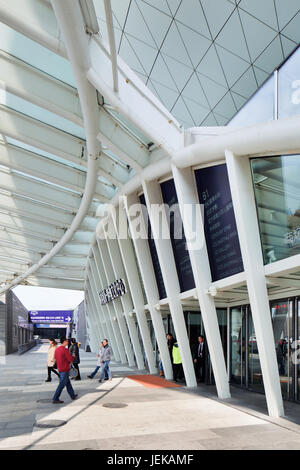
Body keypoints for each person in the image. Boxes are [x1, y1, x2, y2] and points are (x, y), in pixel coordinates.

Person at [52, 336, 78, 404]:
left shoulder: (57, 349)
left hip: (60, 368)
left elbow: (55, 358)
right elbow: (69, 359)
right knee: (61, 385)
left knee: (68, 383)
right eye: (66, 341)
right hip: (65, 369)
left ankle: (72, 395)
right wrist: (73, 356)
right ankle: (55, 398)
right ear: (64, 342)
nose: (67, 342)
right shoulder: (65, 350)